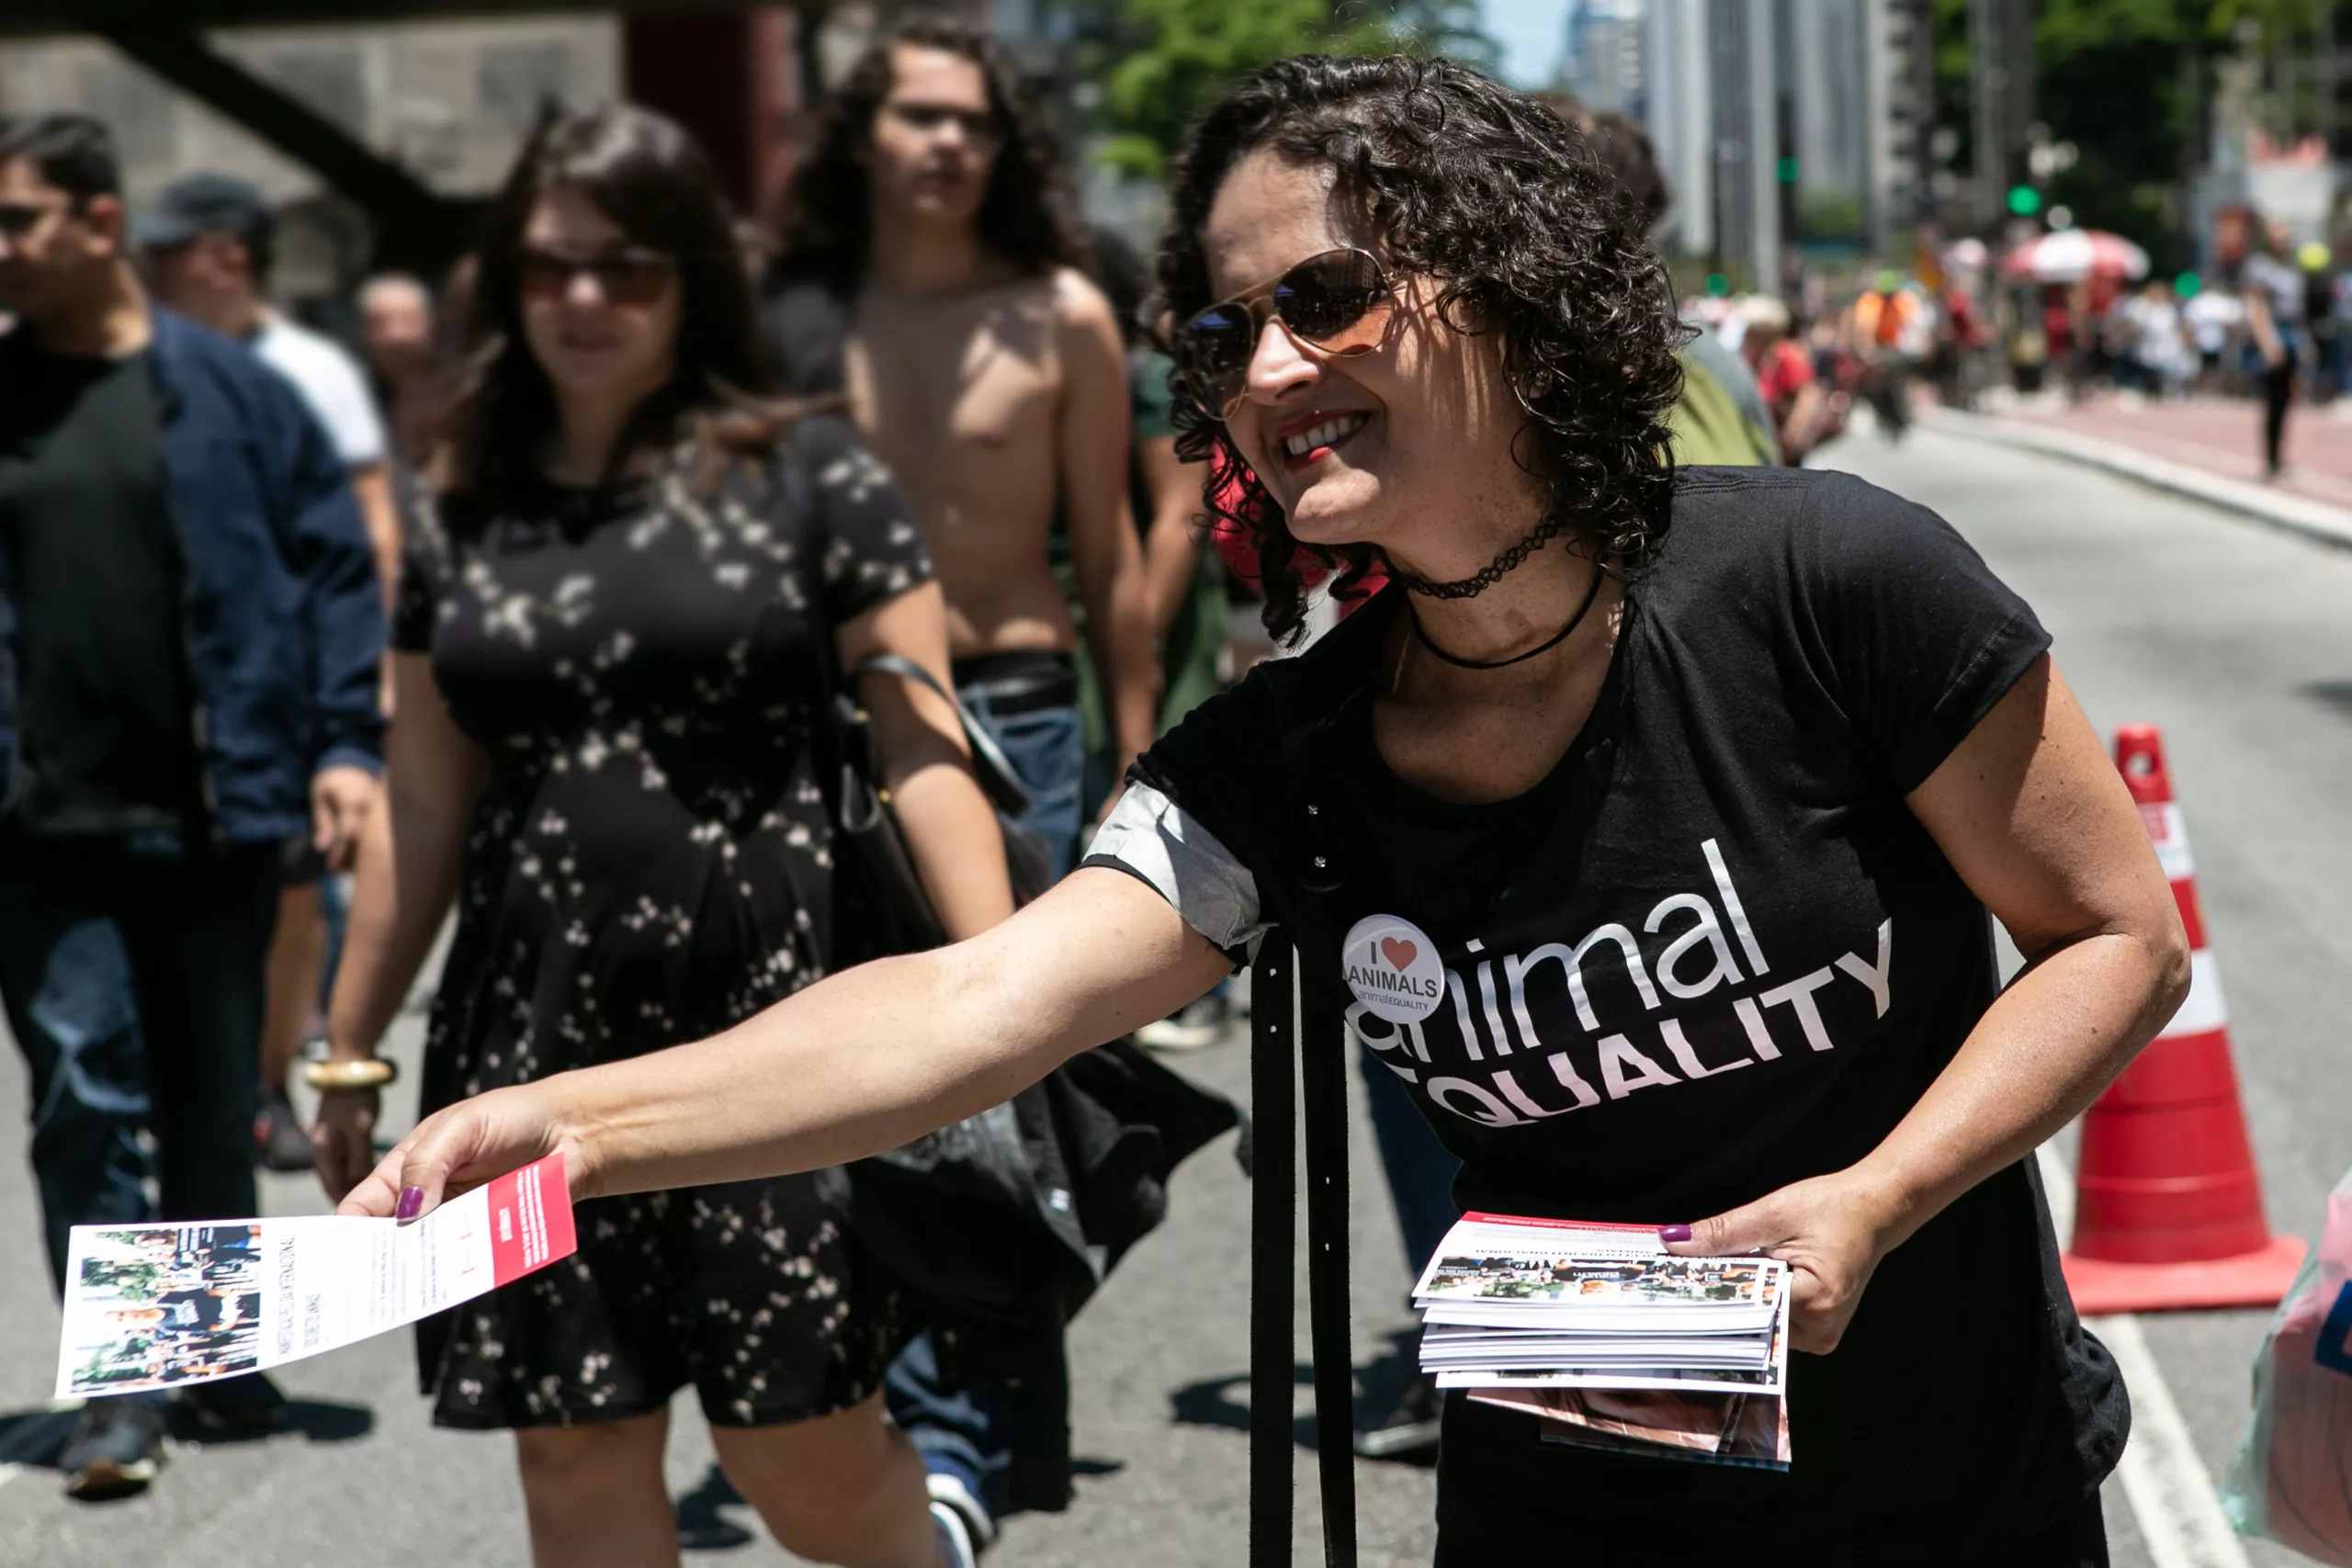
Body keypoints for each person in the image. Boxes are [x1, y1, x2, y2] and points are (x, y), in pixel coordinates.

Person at [345, 56, 2189, 1566]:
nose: (1267, 373)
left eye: (1321, 299)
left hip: (1950, 1494)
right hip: (1560, 1509)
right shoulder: (1287, 752)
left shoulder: (1827, 580)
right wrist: (569, 1127)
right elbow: (972, 1004)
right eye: (1224, 334)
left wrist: (1875, 1198)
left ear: (1498, 274)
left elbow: (2111, 933)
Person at [310, 105, 1009, 1568]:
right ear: (506, 279)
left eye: (626, 266)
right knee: (570, 1444)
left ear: (693, 279)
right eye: (552, 265)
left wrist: (1001, 993)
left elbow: (921, 744)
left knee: (801, 1457)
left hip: (777, 1027)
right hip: (526, 1029)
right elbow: (424, 797)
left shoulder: (816, 474)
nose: (582, 297)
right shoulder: (459, 503)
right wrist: (349, 1041)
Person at [761, 19, 1158, 1547]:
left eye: (976, 124)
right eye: (920, 117)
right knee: (818, 1056)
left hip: (1009, 712)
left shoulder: (1058, 311)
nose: (947, 145)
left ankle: (967, 1423)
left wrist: (1139, 747)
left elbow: (1113, 552)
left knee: (989, 1065)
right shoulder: (793, 318)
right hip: (817, 720)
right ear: (864, 132)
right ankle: (858, 1391)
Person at [0, 113, 382, 1499]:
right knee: (86, 1092)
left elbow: (336, 571)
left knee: (215, 1093)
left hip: (223, 806)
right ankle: (119, 1387)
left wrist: (348, 743)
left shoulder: (233, 393)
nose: (2, 250)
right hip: (40, 824)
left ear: (101, 222)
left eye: (19, 219)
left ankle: (214, 1357)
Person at [135, 172, 403, 1176]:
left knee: (297, 903)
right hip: (173, 697)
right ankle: (204, 1080)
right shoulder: (132, 361)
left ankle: (263, 1076)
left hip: (284, 690)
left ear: (227, 259)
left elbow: (366, 526)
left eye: (169, 251)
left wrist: (368, 683)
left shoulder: (307, 371)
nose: (150, 271)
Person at [1736, 294, 1842, 463]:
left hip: (1782, 449)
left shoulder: (1787, 355)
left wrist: (1791, 439)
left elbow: (1807, 395)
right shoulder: (1750, 358)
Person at [357, 270, 447, 468]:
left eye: (408, 320)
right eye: (381, 323)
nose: (395, 335)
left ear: (429, 324)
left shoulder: (456, 389)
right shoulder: (353, 391)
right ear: (364, 329)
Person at [2245, 219, 2306, 479]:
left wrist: (2304, 342)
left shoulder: (2292, 269)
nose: (2284, 240)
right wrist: (2268, 342)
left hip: (2292, 333)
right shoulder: (2260, 267)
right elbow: (2256, 306)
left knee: (2287, 400)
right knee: (2273, 401)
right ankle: (2271, 462)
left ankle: (2280, 458)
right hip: (2275, 334)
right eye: (2279, 235)